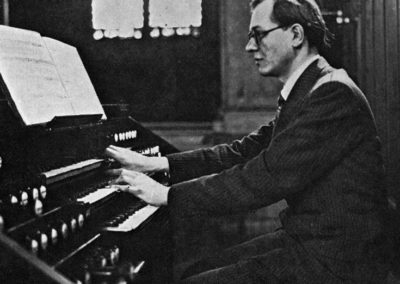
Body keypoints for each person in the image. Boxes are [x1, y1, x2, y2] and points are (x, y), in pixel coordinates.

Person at [105, 0, 390, 282]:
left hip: (339, 261)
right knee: (192, 273)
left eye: (259, 34)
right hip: (312, 243)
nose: (249, 46)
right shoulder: (309, 90)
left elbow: (264, 177)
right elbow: (240, 153)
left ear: (295, 35)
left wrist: (165, 195)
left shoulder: (331, 94)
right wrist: (156, 162)